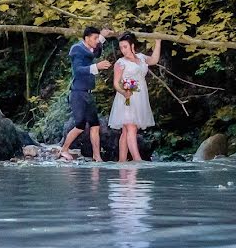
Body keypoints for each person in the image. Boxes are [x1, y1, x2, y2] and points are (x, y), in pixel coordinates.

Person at [60, 26, 113, 162]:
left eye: (97, 39)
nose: (96, 41)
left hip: (88, 93)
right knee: (80, 125)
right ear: (86, 38)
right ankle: (64, 149)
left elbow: (94, 53)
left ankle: (97, 156)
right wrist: (97, 67)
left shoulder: (87, 48)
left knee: (95, 125)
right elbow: (78, 70)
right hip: (78, 92)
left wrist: (102, 37)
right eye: (94, 38)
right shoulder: (76, 49)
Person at [109, 32, 161, 162]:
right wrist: (123, 92)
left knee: (127, 131)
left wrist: (158, 42)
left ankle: (122, 161)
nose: (123, 50)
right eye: (121, 47)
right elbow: (116, 83)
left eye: (125, 47)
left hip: (140, 95)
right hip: (127, 95)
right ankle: (137, 159)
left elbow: (154, 60)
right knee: (130, 127)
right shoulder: (120, 63)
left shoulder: (141, 57)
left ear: (132, 45)